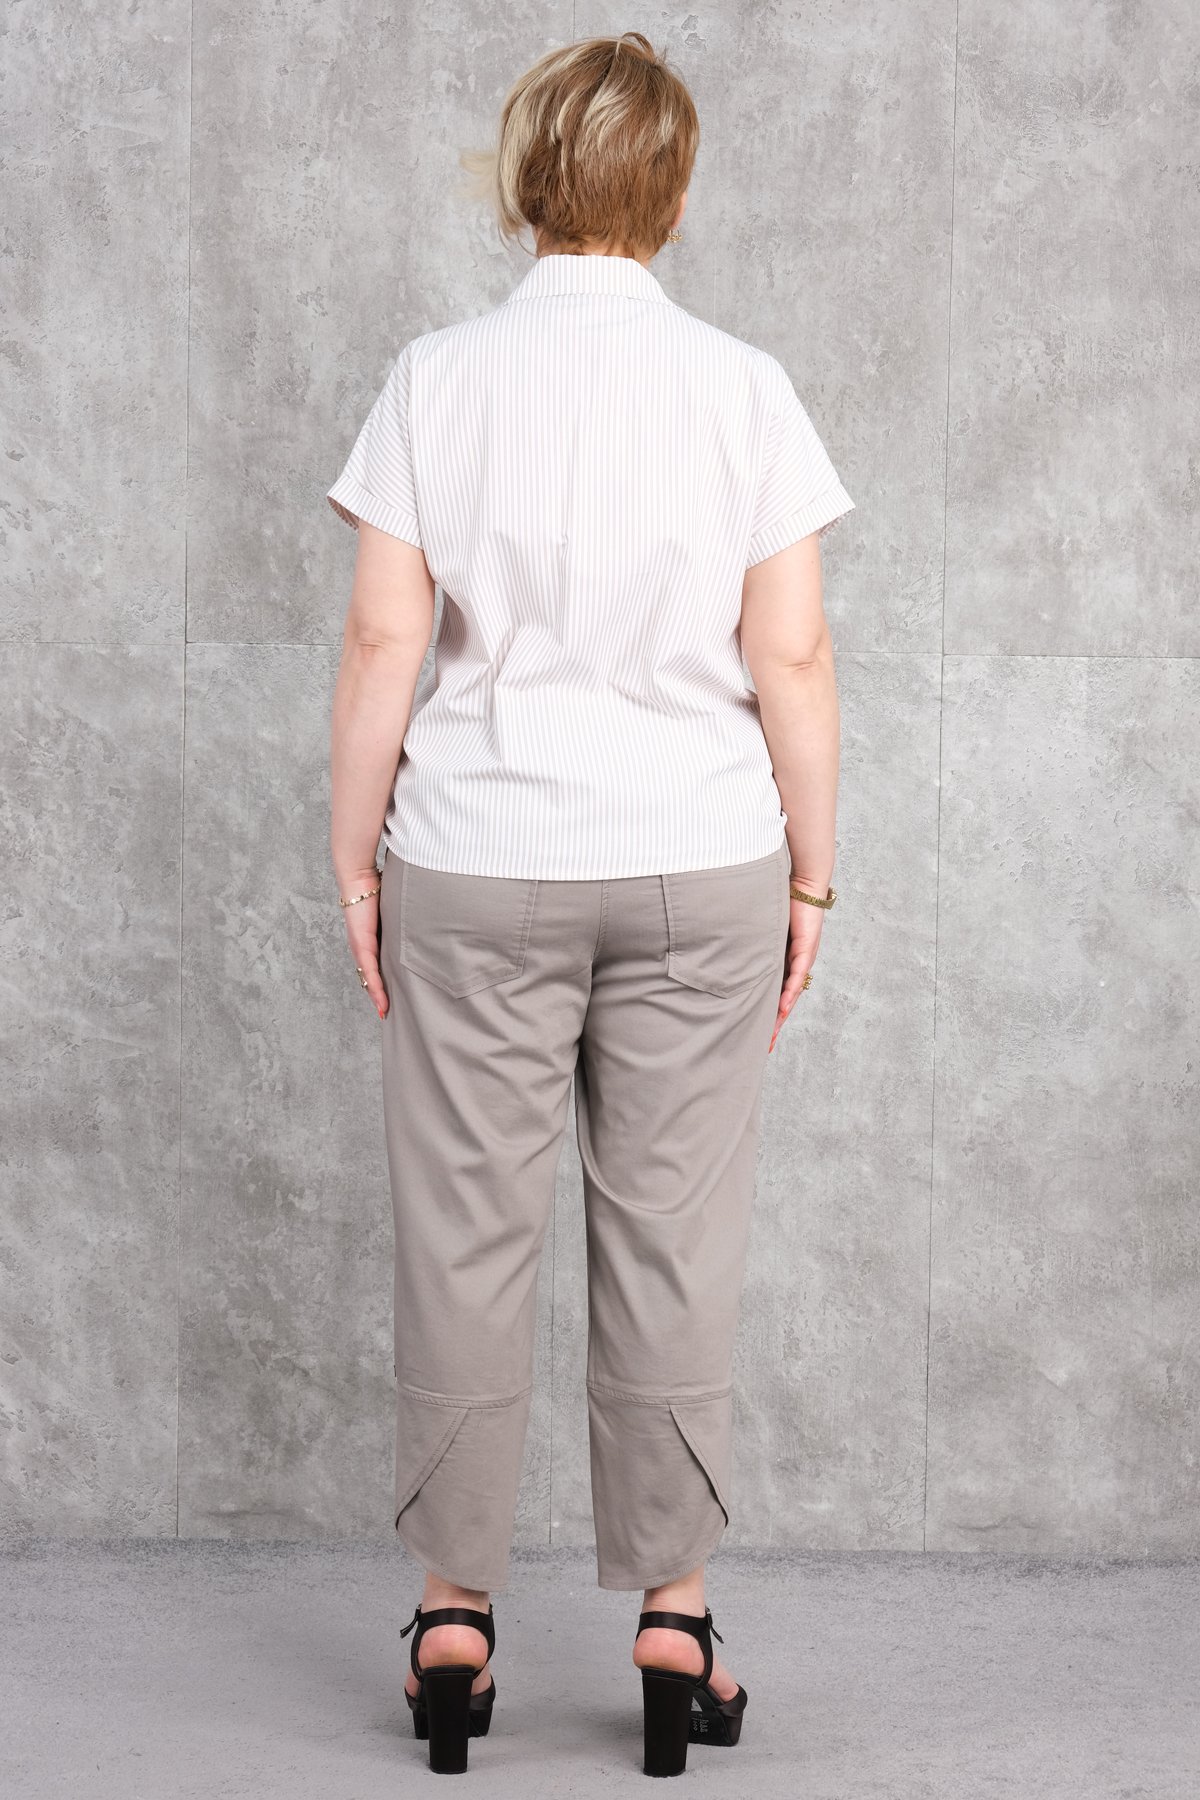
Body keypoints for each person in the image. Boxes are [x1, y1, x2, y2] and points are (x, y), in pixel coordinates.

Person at [324, 29, 854, 1779]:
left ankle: (453, 1621)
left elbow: (386, 639)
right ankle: (674, 1623)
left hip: (474, 856)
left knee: (465, 1235)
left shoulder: (436, 380)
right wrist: (814, 868)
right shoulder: (745, 389)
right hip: (700, 857)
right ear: (674, 194)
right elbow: (791, 656)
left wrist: (354, 857)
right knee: (674, 1234)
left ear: (524, 182)